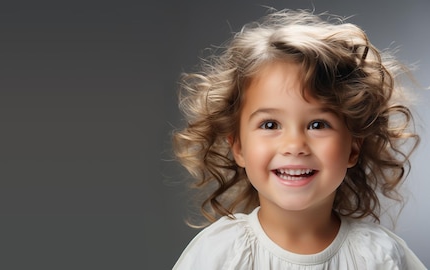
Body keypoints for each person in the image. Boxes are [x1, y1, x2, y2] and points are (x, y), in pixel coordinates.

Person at [171, 8, 427, 269]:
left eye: (318, 124)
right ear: (238, 146)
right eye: (270, 124)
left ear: (353, 147)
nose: (294, 145)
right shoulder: (219, 254)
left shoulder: (378, 256)